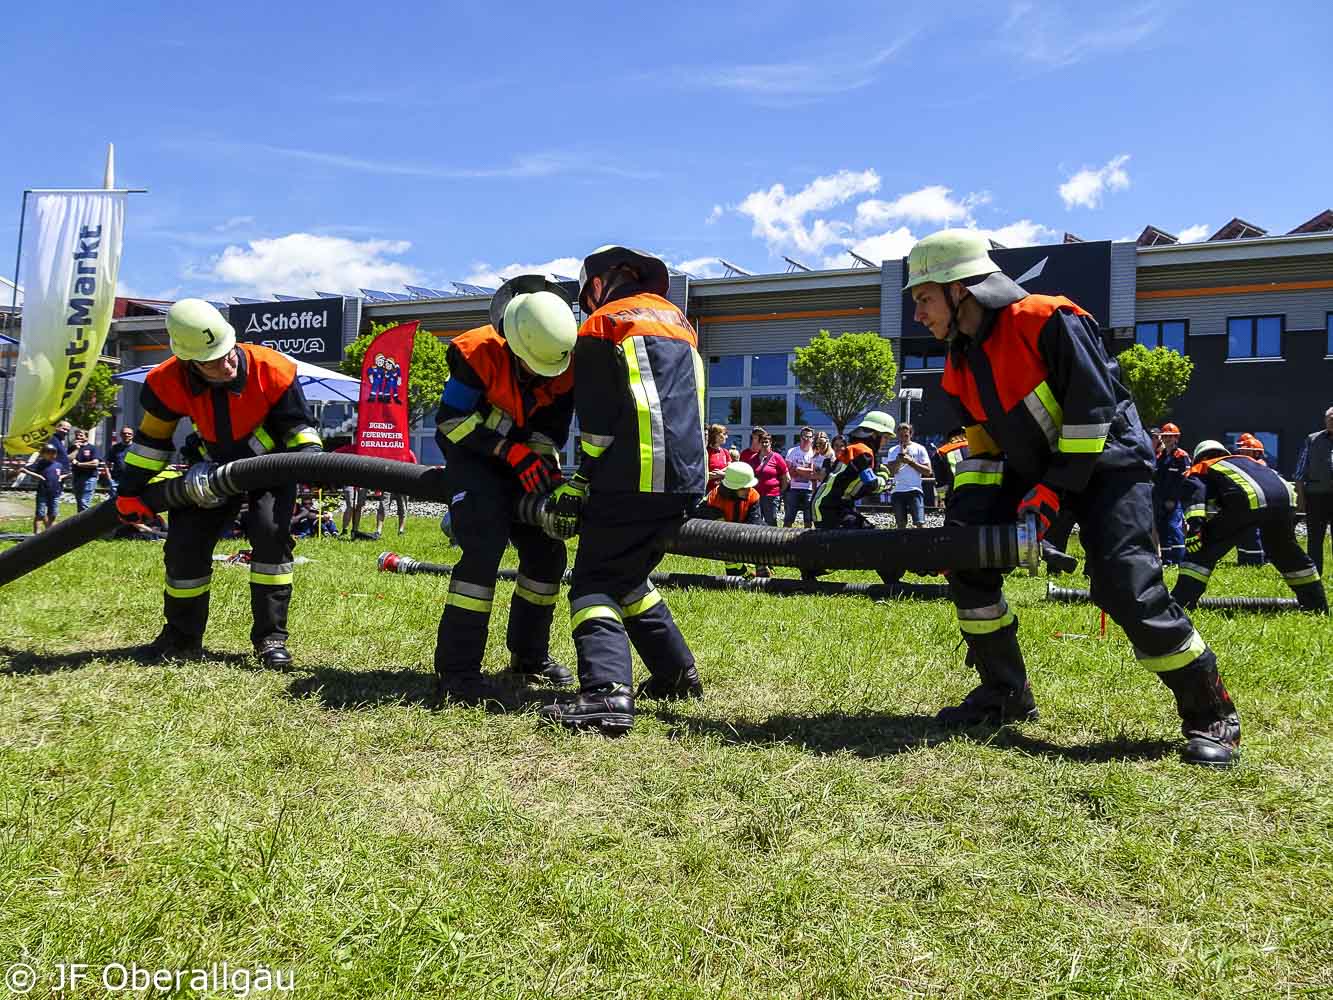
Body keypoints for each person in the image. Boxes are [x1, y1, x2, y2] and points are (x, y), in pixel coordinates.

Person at [905, 228, 1240, 767]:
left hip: (1111, 463)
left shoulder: (1047, 319)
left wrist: (1051, 492)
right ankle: (1005, 693)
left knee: (1123, 582)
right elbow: (983, 450)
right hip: (1038, 469)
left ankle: (1210, 710)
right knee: (967, 563)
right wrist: (961, 532)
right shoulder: (958, 364)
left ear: (960, 289)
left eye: (923, 298)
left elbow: (1091, 415)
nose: (917, 314)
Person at [537, 245, 705, 734]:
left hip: (630, 478)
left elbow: (598, 422)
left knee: (592, 580)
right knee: (627, 575)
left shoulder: (602, 325)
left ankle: (607, 698)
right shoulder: (679, 322)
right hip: (685, 479)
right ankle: (677, 674)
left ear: (596, 284)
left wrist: (582, 478)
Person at [113, 299, 323, 668]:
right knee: (185, 545)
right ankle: (181, 639)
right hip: (209, 472)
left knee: (270, 534)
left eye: (227, 353)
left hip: (270, 468)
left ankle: (271, 640)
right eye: (211, 361)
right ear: (188, 361)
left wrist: (311, 456)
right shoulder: (167, 381)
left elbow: (297, 427)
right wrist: (130, 491)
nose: (226, 364)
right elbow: (151, 444)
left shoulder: (272, 369)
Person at [432, 274, 579, 704]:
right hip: (473, 460)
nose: (541, 375)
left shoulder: (565, 364)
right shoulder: (476, 353)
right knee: (484, 545)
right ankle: (457, 673)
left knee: (547, 553)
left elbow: (550, 433)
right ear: (513, 343)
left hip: (525, 465)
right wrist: (509, 453)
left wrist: (539, 466)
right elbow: (450, 423)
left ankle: (529, 657)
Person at [1174, 440, 1325, 613]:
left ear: (1198, 458)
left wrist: (1195, 529)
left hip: (1248, 500)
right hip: (1286, 499)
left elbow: (1196, 498)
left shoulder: (1202, 467)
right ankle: (1316, 605)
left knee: (1201, 551)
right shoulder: (1247, 462)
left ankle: (1180, 604)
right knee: (1285, 553)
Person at [693, 461, 763, 576]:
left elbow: (755, 522)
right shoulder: (714, 499)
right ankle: (739, 575)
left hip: (742, 530)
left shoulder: (753, 495)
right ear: (733, 488)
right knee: (728, 550)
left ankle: (761, 565)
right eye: (745, 487)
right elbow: (721, 531)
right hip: (719, 537)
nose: (749, 490)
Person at [1295, 405, 1333, 576]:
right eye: (1329, 418)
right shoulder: (1312, 439)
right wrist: (1301, 500)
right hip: (1316, 495)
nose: (1331, 420)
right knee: (1315, 539)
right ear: (1325, 420)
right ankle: (1314, 574)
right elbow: (1300, 472)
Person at [1153, 422, 1191, 565]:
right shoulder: (1160, 456)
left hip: (1174, 501)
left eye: (1171, 436)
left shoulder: (1181, 456)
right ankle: (1167, 560)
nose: (1167, 439)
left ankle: (1178, 560)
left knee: (1173, 528)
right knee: (1162, 529)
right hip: (1159, 500)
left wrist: (1174, 499)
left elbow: (1185, 480)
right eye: (1165, 436)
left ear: (1176, 438)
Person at [885, 423, 931, 529]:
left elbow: (928, 471)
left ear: (911, 434)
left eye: (906, 435)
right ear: (897, 435)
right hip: (897, 491)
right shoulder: (892, 450)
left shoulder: (919, 448)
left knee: (920, 522)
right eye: (901, 436)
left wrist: (911, 462)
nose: (903, 438)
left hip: (915, 490)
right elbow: (892, 472)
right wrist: (899, 459)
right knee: (901, 524)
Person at [1232, 433, 1268, 565]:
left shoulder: (1259, 465)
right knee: (1243, 532)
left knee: (1253, 532)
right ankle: (1244, 559)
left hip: (1256, 503)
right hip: (1245, 503)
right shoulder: (1245, 464)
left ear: (1256, 453)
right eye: (1240, 448)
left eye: (1245, 450)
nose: (1241, 451)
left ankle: (1256, 561)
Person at [19, 443, 64, 532]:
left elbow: (64, 473)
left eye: (53, 453)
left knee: (53, 513)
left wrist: (62, 477)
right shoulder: (40, 463)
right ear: (43, 454)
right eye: (48, 453)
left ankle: (49, 530)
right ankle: (36, 533)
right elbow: (25, 470)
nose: (51, 455)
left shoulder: (58, 465)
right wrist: (39, 477)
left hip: (55, 493)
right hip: (42, 492)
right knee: (40, 514)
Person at [783, 426, 818, 527]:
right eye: (804, 437)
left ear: (812, 438)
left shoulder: (814, 453)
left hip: (809, 489)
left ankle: (806, 541)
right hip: (793, 489)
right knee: (788, 519)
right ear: (800, 437)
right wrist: (806, 472)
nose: (806, 439)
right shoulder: (792, 452)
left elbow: (813, 473)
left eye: (809, 437)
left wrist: (798, 469)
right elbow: (789, 472)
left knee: (808, 520)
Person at [69, 429, 101, 512]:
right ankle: (80, 522)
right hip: (76, 477)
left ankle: (86, 523)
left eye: (80, 435)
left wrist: (79, 464)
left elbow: (95, 463)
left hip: (89, 478)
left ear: (86, 437)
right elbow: (68, 459)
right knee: (79, 502)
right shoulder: (72, 448)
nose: (77, 437)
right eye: (76, 435)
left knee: (84, 502)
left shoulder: (92, 448)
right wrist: (76, 449)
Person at [106, 426, 134, 500]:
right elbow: (107, 464)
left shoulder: (136, 448)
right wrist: (109, 478)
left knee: (130, 501)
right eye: (124, 433)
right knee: (114, 503)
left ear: (133, 435)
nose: (127, 435)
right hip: (117, 480)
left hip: (133, 480)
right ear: (120, 435)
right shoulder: (115, 448)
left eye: (129, 434)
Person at [706, 423, 731, 488]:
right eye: (724, 434)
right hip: (708, 491)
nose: (727, 437)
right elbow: (701, 475)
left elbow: (730, 470)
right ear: (716, 435)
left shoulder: (725, 452)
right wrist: (717, 475)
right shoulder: (705, 452)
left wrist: (721, 474)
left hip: (723, 491)